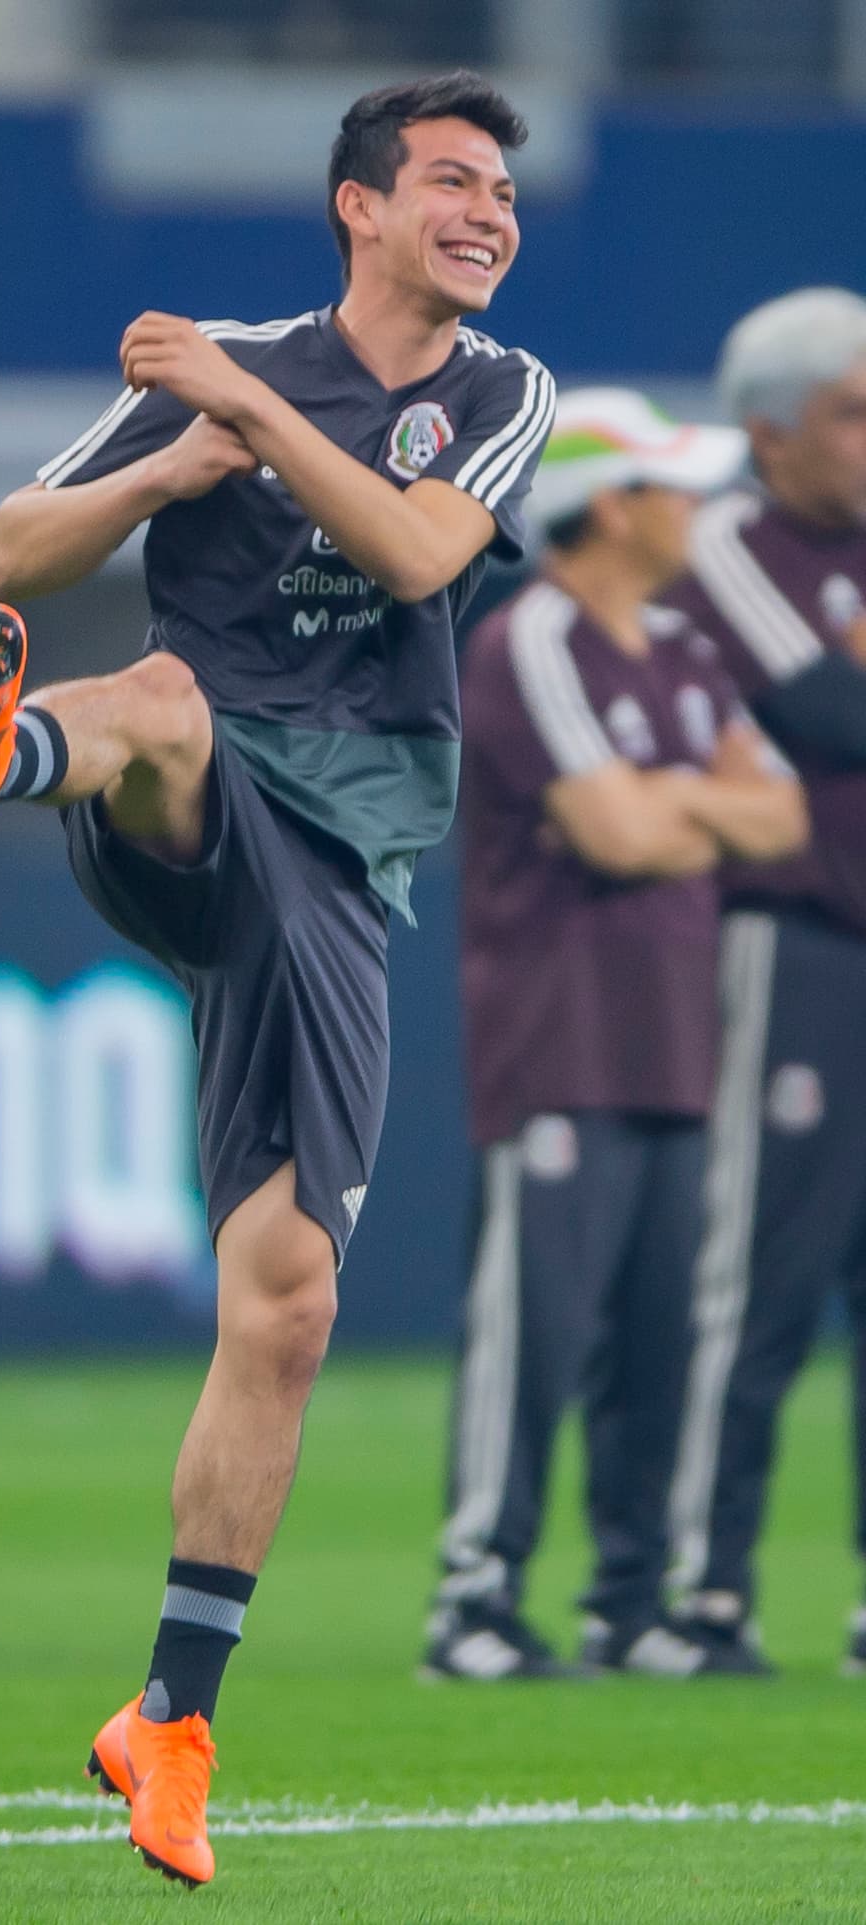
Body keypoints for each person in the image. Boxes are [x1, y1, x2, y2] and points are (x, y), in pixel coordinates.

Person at [0, 74, 555, 1885]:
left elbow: (423, 553)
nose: (488, 211)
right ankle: (2, 749)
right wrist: (170, 465)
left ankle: (169, 1718)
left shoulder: (504, 396)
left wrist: (248, 411)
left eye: (500, 189)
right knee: (170, 702)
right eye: (449, 182)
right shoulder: (219, 371)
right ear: (358, 207)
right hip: (192, 800)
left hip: (341, 867)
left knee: (283, 1305)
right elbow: (12, 550)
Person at [419, 388, 807, 1682]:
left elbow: (785, 819)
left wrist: (670, 798)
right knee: (533, 1333)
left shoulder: (687, 652)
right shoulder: (530, 638)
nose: (698, 511)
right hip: (559, 1046)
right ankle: (474, 1595)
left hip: (679, 1048)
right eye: (675, 489)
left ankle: (627, 1602)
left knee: (657, 1340)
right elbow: (617, 834)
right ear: (613, 507)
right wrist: (691, 805)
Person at [665, 288, 866, 1675]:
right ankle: (705, 1590)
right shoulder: (731, 539)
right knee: (762, 1279)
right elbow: (829, 716)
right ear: (770, 430)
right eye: (852, 411)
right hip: (792, 946)